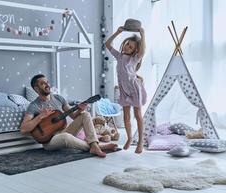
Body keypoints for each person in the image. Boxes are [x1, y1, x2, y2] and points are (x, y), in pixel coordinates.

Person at [20, 74, 118, 158]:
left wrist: (79, 109)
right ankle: (98, 146)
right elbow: (23, 129)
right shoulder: (34, 105)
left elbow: (74, 116)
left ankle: (94, 145)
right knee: (66, 137)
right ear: (36, 89)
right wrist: (40, 116)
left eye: (47, 82)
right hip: (50, 141)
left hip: (64, 131)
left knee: (85, 115)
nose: (47, 85)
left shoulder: (59, 98)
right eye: (43, 83)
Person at [105, 26, 147, 154]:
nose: (127, 47)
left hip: (134, 89)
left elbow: (143, 50)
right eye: (127, 44)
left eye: (130, 47)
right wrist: (118, 32)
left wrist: (143, 34)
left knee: (138, 116)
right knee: (126, 117)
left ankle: (140, 142)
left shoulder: (134, 59)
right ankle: (129, 138)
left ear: (135, 50)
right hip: (124, 90)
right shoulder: (119, 56)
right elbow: (107, 44)